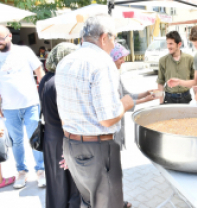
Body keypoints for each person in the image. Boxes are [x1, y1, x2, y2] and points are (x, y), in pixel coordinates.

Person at [55, 14, 134, 208]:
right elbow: (107, 119)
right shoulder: (102, 62)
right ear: (104, 37)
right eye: (114, 38)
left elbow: (64, 112)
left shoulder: (65, 61)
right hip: (97, 148)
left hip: (71, 144)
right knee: (108, 204)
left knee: (90, 201)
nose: (114, 44)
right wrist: (125, 103)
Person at [0, 25, 46, 189]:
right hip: (9, 108)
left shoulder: (24, 52)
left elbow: (39, 71)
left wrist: (44, 93)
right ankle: (22, 172)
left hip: (30, 104)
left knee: (35, 138)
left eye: (2, 38)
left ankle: (40, 171)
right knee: (17, 142)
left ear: (10, 36)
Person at [39, 43, 81, 208]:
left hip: (50, 138)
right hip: (64, 139)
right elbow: (67, 118)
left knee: (56, 187)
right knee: (71, 187)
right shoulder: (61, 82)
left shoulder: (46, 79)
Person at [110, 42, 156, 151]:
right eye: (120, 58)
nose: (123, 61)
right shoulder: (108, 78)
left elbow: (126, 95)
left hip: (118, 127)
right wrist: (144, 100)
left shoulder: (116, 74)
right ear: (112, 58)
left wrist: (145, 94)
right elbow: (119, 103)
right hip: (111, 130)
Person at [157, 31, 194, 104]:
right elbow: (160, 82)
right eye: (167, 43)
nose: (168, 46)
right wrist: (161, 102)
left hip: (186, 97)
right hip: (169, 98)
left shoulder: (190, 59)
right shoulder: (162, 60)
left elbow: (195, 80)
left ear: (179, 44)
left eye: (171, 44)